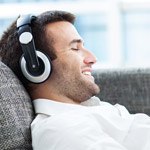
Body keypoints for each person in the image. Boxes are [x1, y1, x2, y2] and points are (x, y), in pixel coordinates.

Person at [0, 10, 150, 150]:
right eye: (75, 48)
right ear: (37, 66)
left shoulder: (86, 110)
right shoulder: (61, 130)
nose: (92, 59)